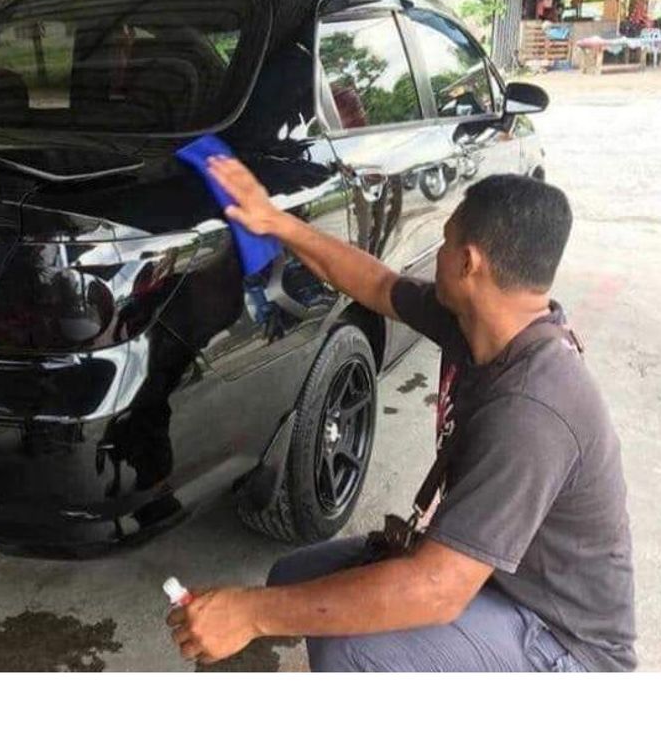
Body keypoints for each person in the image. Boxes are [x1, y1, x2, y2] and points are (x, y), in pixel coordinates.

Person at [166, 157, 636, 672]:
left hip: (562, 640)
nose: (438, 252)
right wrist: (275, 221)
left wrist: (250, 615)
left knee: (353, 649)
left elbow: (436, 590)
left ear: (468, 263)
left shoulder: (533, 409)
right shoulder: (485, 323)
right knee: (292, 578)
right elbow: (375, 283)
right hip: (500, 577)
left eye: (445, 240)